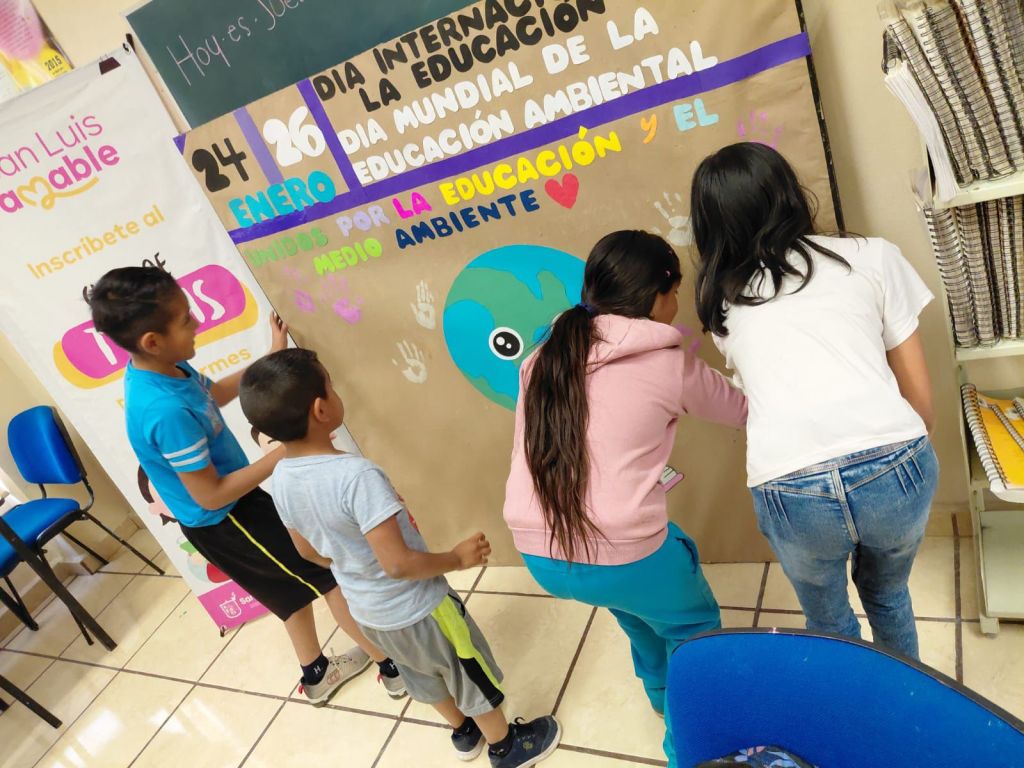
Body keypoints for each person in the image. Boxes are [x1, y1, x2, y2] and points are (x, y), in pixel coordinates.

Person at [88, 266, 405, 705]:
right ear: (151, 341)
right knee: (326, 578)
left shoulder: (167, 369)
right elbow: (211, 494)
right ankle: (394, 668)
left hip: (235, 506)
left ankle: (316, 675)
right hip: (224, 519)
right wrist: (291, 448)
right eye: (185, 319)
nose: (197, 320)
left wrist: (270, 357)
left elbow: (214, 393)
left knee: (290, 593)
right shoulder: (162, 410)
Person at [238, 348, 561, 768]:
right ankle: (504, 746)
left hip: (368, 613)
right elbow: (398, 564)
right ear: (321, 409)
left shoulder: (279, 478)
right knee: (465, 670)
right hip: (421, 608)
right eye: (331, 387)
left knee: (420, 674)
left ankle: (463, 732)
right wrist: (457, 558)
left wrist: (353, 568)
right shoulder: (356, 476)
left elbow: (305, 551)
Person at [502, 230, 748, 767]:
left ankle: (659, 698)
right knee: (693, 632)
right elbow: (742, 409)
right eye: (676, 290)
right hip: (619, 553)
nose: (677, 304)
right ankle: (689, 749)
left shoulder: (543, 355)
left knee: (636, 607)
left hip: (540, 553)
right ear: (659, 293)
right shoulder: (666, 362)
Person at [689, 142, 938, 659]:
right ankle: (907, 709)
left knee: (827, 620)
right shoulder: (873, 256)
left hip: (789, 484)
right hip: (894, 460)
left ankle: (848, 722)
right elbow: (919, 398)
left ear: (711, 226)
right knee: (889, 594)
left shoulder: (725, 308)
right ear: (787, 194)